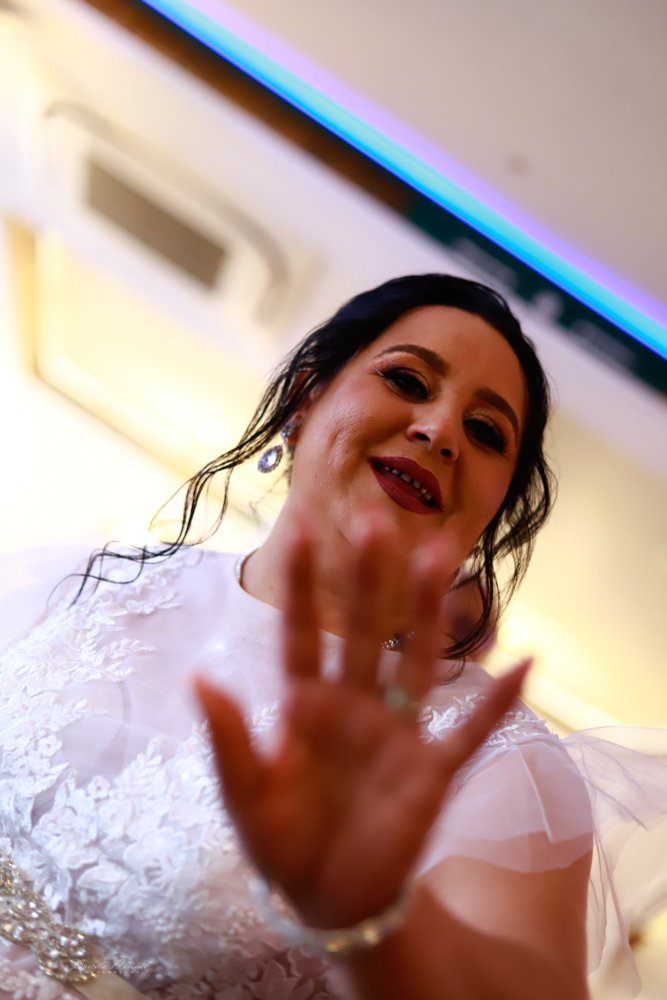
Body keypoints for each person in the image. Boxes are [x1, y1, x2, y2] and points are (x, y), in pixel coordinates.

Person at [0, 274, 664, 1000]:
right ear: (304, 398)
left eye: (484, 433)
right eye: (407, 379)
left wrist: (367, 915)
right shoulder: (94, 579)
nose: (440, 431)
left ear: (489, 516)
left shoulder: (488, 757)